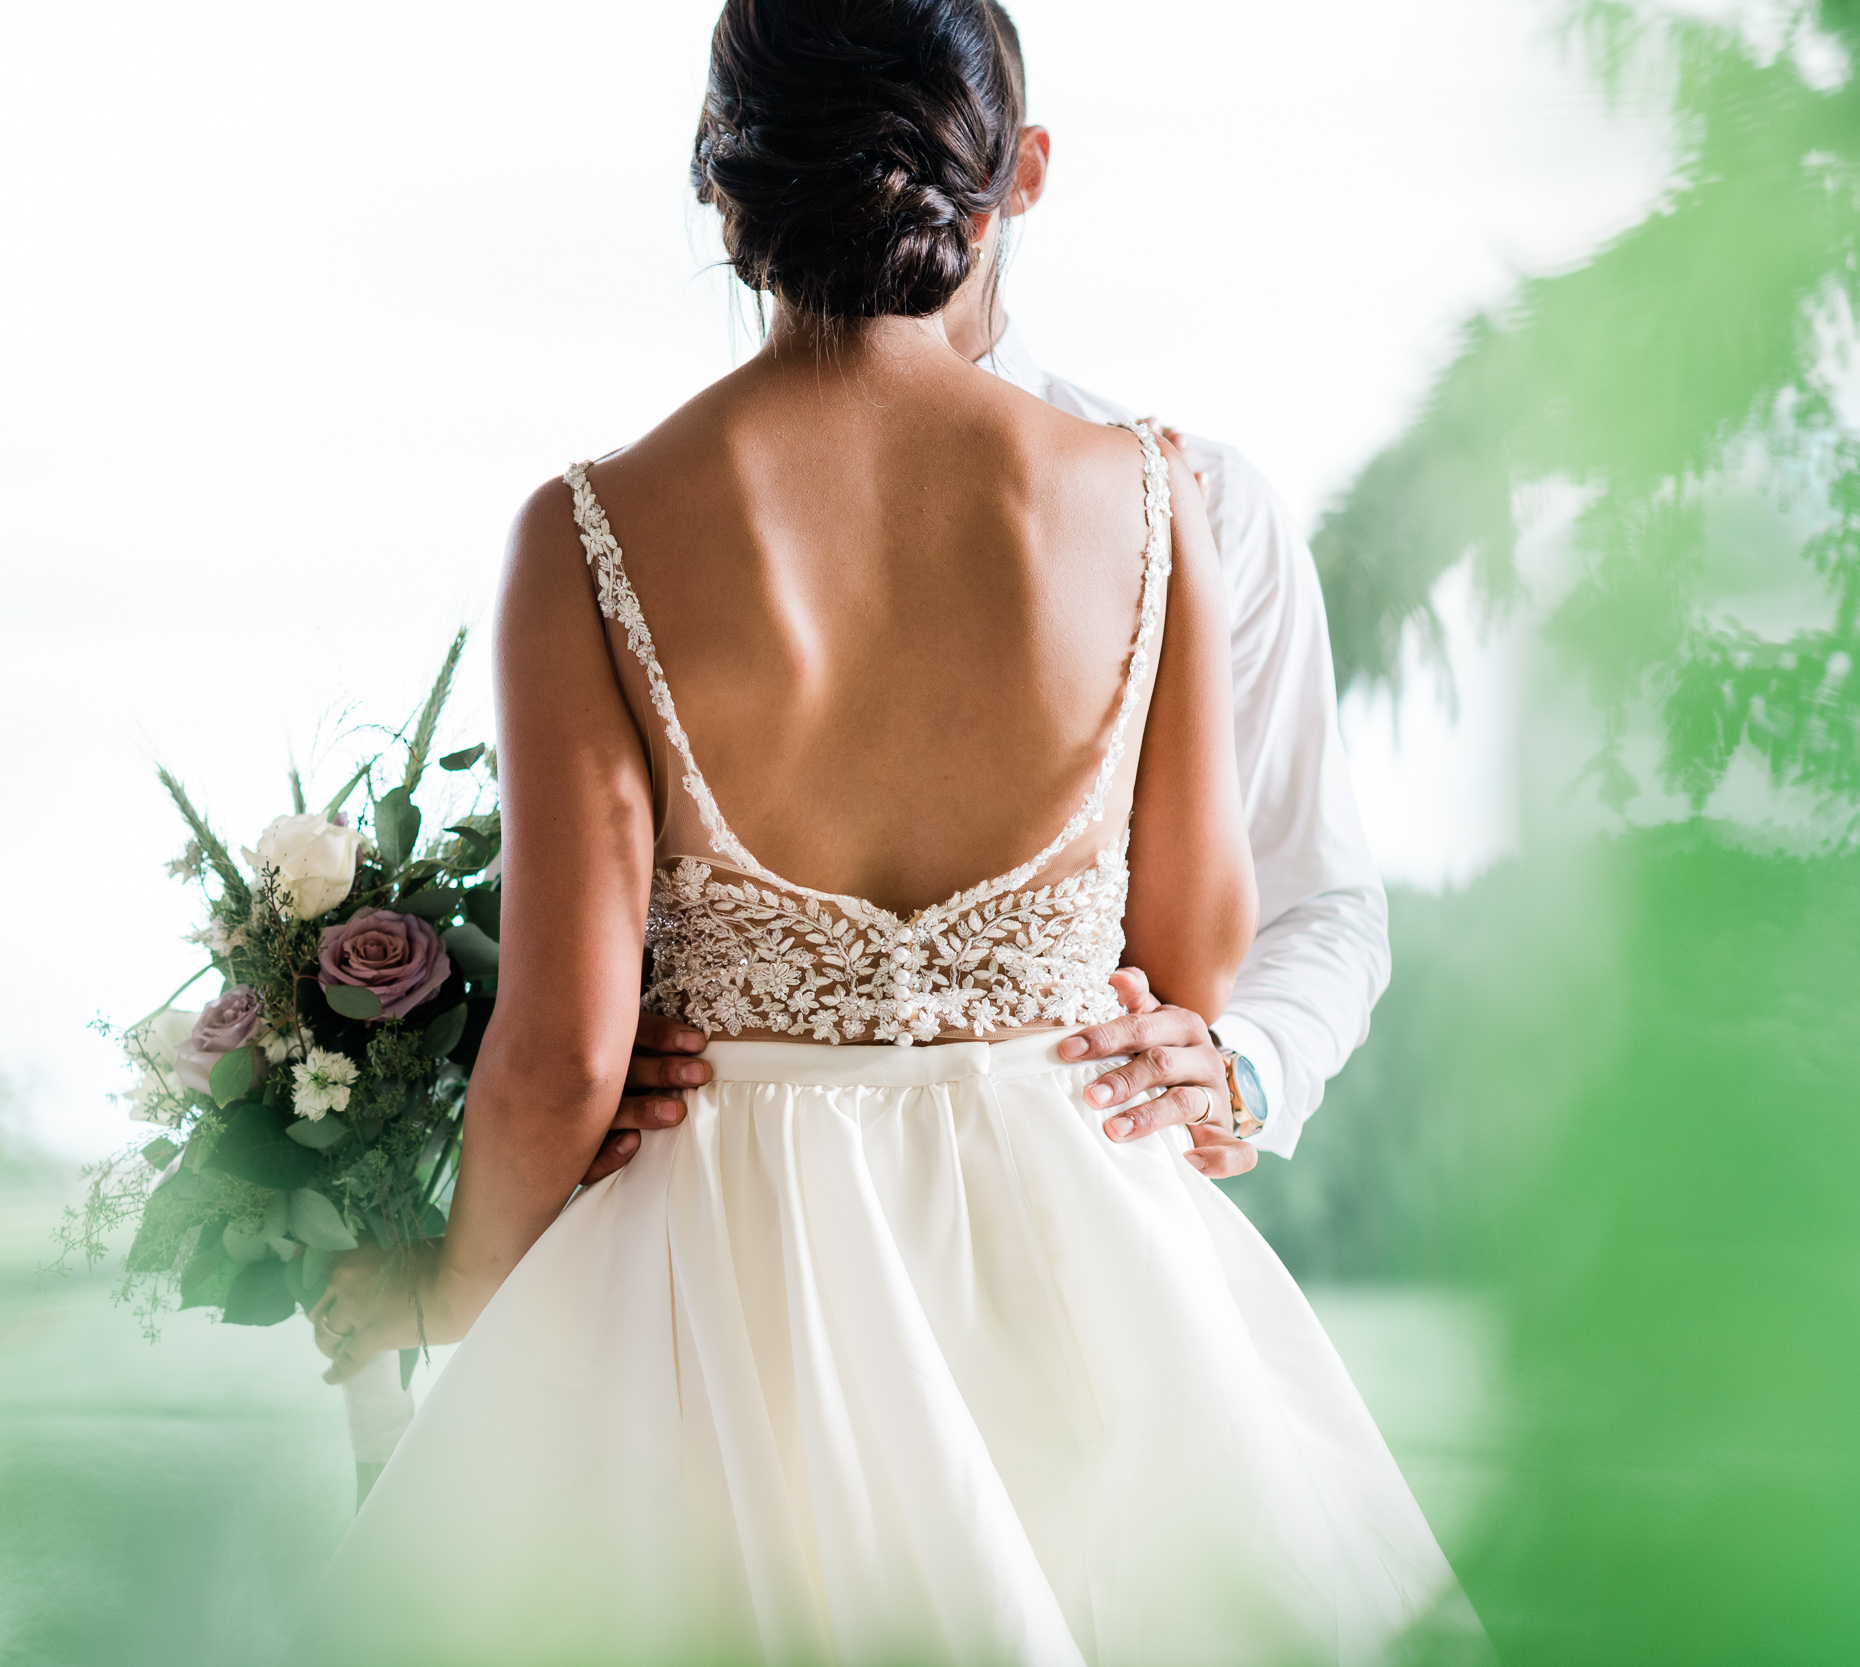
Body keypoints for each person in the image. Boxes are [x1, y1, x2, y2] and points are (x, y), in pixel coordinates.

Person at [296, 3, 1467, 1662]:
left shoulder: (591, 533)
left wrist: (453, 1288)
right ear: (998, 181)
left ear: (721, 191)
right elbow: (1192, 971)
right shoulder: (1154, 499)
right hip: (1084, 1276)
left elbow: (562, 1059)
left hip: (718, 1288)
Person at [593, 3, 1385, 1192]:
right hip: (730, 1203)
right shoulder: (639, 535)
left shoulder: (1203, 504)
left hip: (1075, 1209)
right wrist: (614, 1044)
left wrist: (1241, 1063)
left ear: (1024, 174)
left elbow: (1316, 895)